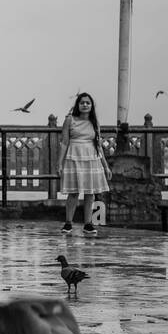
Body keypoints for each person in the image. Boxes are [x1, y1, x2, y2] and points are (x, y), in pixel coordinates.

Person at [57, 91, 111, 236]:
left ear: (91, 105)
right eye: (82, 103)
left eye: (88, 103)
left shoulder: (95, 122)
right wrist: (59, 163)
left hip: (92, 158)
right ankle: (68, 223)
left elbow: (99, 145)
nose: (85, 105)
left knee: (90, 192)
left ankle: (88, 224)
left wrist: (105, 166)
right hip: (74, 156)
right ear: (78, 105)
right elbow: (64, 143)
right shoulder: (70, 120)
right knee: (73, 192)